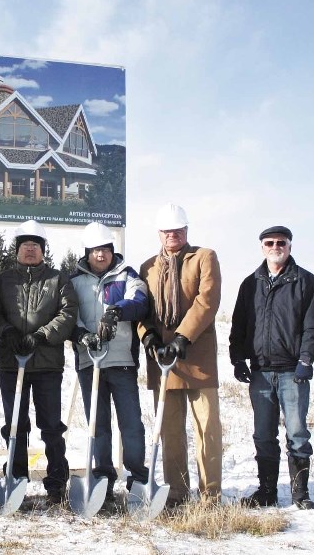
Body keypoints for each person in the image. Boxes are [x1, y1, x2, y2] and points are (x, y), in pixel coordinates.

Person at [230, 226, 314, 510]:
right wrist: (238, 358)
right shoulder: (250, 283)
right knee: (263, 433)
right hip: (260, 371)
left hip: (292, 372)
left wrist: (306, 360)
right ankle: (267, 492)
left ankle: (300, 495)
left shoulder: (307, 282)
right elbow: (240, 324)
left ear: (290, 246)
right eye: (269, 242)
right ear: (262, 247)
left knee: (297, 432)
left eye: (281, 242)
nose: (275, 246)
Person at [137, 203, 223, 507]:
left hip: (197, 355)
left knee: (207, 429)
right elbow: (140, 307)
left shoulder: (203, 257)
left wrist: (183, 336)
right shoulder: (147, 266)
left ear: (186, 230)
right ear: (159, 233)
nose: (172, 234)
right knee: (171, 432)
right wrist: (146, 336)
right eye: (167, 230)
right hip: (164, 360)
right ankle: (176, 492)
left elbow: (207, 300)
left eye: (178, 229)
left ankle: (210, 495)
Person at [0, 220, 77, 504]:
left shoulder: (58, 279)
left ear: (43, 250)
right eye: (25, 245)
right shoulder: (3, 280)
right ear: (17, 250)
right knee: (15, 424)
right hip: (11, 363)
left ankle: (56, 482)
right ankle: (15, 479)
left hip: (47, 365)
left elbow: (68, 314)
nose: (30, 250)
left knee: (51, 425)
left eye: (35, 246)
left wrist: (41, 336)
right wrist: (7, 331)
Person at [71, 222, 149, 513]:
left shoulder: (127, 276)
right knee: (97, 425)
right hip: (89, 362)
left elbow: (139, 302)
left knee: (131, 424)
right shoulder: (76, 281)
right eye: (94, 250)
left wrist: (117, 311)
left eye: (104, 249)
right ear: (87, 253)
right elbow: (69, 315)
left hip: (121, 362)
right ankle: (103, 478)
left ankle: (138, 479)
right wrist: (81, 335)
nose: (100, 255)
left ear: (111, 251)